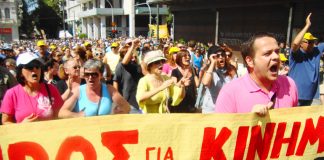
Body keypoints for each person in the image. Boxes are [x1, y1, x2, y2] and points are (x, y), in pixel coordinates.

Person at [215, 32, 298, 115]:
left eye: (277, 52)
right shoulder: (229, 93)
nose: (276, 57)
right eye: (267, 53)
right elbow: (221, 127)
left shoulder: (289, 84)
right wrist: (249, 120)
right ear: (250, 61)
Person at [1, 52, 64, 124]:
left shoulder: (51, 89)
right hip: (24, 135)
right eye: (29, 67)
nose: (35, 69)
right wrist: (21, 126)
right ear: (20, 72)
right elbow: (6, 121)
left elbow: (61, 115)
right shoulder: (12, 94)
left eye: (37, 66)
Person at [58, 59, 130, 118]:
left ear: (101, 75)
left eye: (94, 74)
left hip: (104, 131)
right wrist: (77, 115)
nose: (90, 78)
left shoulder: (109, 89)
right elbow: (62, 113)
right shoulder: (78, 91)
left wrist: (116, 115)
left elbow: (126, 107)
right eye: (87, 74)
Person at [288, 13, 324, 106]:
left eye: (312, 42)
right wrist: (307, 25)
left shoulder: (317, 51)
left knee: (314, 120)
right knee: (295, 119)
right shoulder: (296, 54)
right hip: (296, 96)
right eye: (308, 42)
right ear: (301, 43)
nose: (311, 44)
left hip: (313, 97)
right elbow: (295, 44)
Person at [201, 46, 237, 113]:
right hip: (211, 109)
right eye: (217, 55)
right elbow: (205, 82)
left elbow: (236, 88)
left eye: (223, 55)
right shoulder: (209, 70)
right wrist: (212, 63)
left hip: (226, 108)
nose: (221, 57)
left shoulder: (231, 69)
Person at [113, 39, 143, 113]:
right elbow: (115, 82)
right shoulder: (121, 66)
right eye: (130, 53)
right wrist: (117, 100)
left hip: (140, 101)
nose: (132, 55)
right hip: (129, 103)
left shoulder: (137, 66)